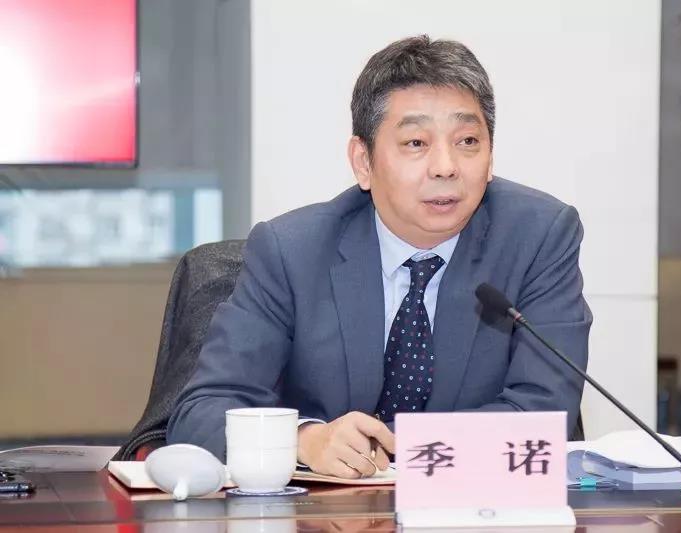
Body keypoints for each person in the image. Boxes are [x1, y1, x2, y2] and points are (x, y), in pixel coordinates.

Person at [167, 35, 592, 479]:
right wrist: (305, 441)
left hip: (475, 506)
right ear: (363, 161)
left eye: (468, 140)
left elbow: (545, 413)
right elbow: (202, 413)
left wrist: (393, 447)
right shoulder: (290, 251)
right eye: (416, 143)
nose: (446, 166)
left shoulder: (539, 237)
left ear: (490, 157)